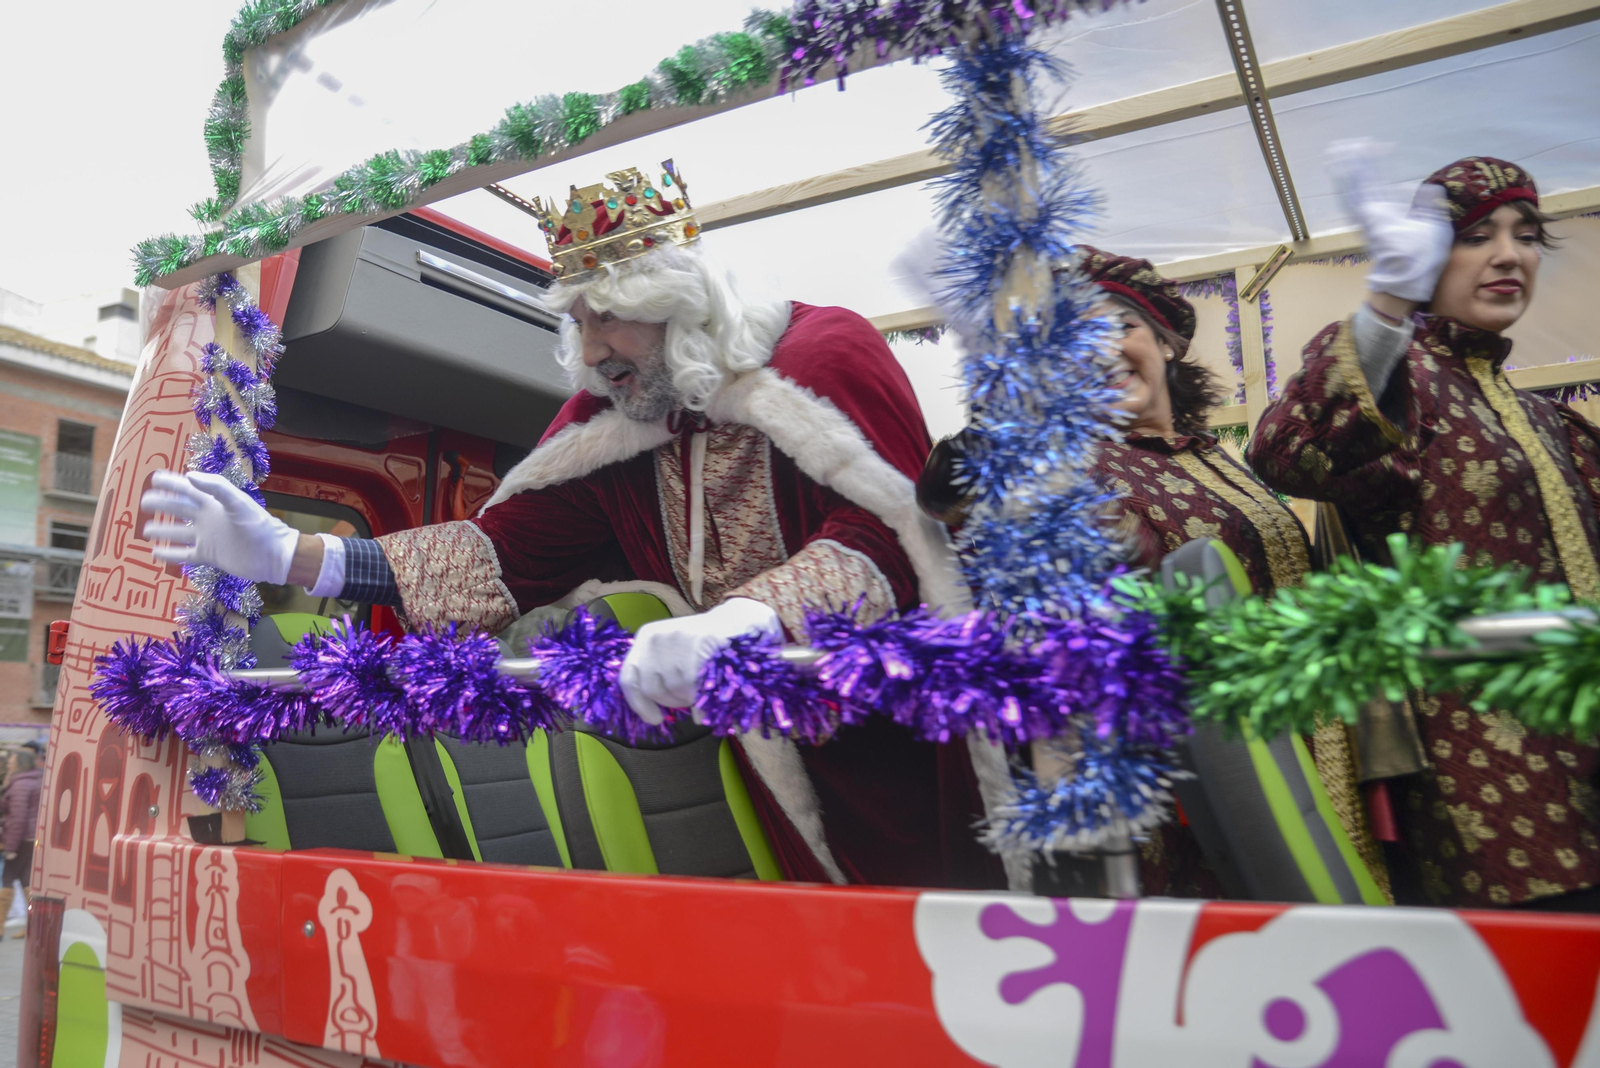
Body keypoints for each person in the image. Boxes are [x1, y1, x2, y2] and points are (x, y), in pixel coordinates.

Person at [140, 161, 1013, 891]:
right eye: (577, 321)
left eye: (608, 316)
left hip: (901, 737)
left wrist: (743, 622)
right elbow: (502, 556)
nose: (590, 350)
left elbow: (888, 538)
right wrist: (302, 554)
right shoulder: (617, 425)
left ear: (678, 303)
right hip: (760, 758)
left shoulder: (827, 355)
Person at [918, 246, 1381, 896]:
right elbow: (959, 499)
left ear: (1164, 343)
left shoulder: (1214, 458)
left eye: (1118, 325)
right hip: (1184, 789)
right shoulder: (1063, 468)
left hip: (1306, 745)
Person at [1246, 146, 1600, 910]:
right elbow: (1286, 450)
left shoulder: (1553, 423)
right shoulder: (1404, 382)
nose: (1509, 254)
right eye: (1476, 235)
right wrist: (1386, 309)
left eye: (1527, 233)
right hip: (1488, 777)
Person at [0, 748, 41, 935]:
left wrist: (11, 847)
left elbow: (18, 818)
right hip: (31, 838)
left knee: (8, 878)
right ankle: (33, 926)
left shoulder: (20, 785)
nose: (9, 764)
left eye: (12, 761)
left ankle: (0, 928)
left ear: (20, 764)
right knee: (26, 879)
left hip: (21, 838)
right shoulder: (33, 780)